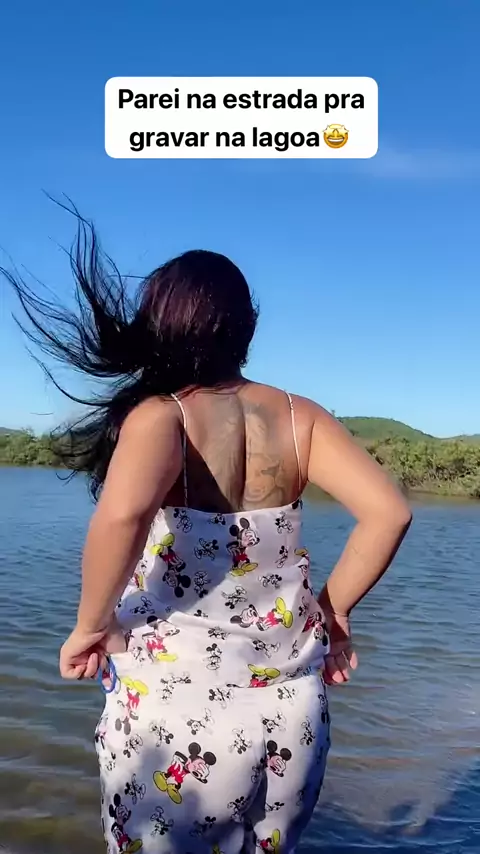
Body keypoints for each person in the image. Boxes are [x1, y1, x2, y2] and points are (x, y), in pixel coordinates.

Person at [7, 214, 412, 854]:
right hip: (291, 709)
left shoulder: (161, 417)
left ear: (159, 324)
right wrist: (333, 612)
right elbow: (389, 512)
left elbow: (121, 519)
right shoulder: (302, 417)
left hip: (177, 709)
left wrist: (89, 627)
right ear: (246, 326)